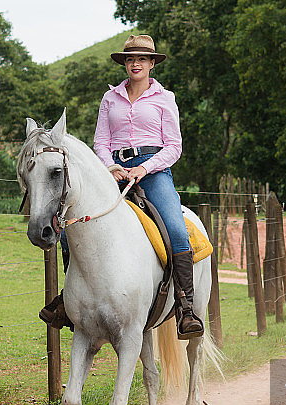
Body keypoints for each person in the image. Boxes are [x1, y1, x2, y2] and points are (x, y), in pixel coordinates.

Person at [40, 34, 204, 340]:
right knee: (71, 225)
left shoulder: (164, 98)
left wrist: (144, 167)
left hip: (153, 172)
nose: (136, 63)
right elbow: (101, 141)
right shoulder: (110, 99)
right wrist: (110, 167)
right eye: (130, 59)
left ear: (152, 63)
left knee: (177, 231)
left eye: (142, 58)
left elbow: (173, 146)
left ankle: (185, 307)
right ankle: (69, 300)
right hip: (113, 171)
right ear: (124, 63)